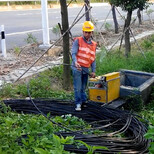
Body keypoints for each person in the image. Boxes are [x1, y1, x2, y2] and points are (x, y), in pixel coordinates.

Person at [71, 21, 97, 111]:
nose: (87, 34)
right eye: (85, 32)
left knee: (83, 87)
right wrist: (75, 62)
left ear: (92, 33)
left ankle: (83, 101)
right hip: (77, 68)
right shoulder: (78, 41)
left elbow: (93, 59)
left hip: (85, 68)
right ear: (83, 32)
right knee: (77, 87)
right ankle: (78, 103)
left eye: (89, 32)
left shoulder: (93, 44)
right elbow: (73, 53)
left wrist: (93, 71)